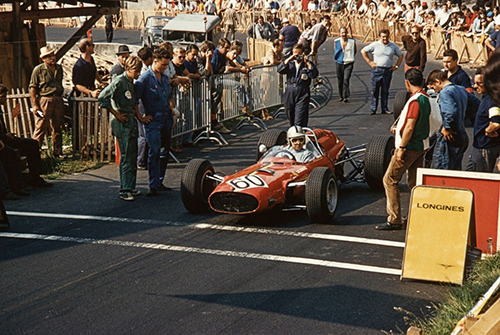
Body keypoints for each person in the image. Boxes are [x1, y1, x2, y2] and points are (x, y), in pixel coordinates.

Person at [376, 69, 431, 230]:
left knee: (390, 179)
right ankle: (415, 214)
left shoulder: (414, 101)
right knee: (414, 182)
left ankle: (394, 218)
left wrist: (401, 148)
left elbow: (409, 126)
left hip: (409, 147)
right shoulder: (426, 98)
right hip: (421, 145)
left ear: (407, 82)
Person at [98, 56, 152, 201]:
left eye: (140, 70)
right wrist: (116, 114)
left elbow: (133, 102)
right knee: (126, 156)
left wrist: (139, 117)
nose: (138, 73)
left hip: (130, 121)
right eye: (136, 70)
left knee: (132, 154)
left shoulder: (130, 83)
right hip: (121, 122)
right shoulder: (119, 82)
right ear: (128, 69)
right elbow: (102, 98)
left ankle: (130, 186)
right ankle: (124, 189)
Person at [135, 48, 174, 197]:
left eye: (167, 65)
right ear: (155, 61)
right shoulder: (144, 79)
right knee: (154, 151)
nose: (165, 68)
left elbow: (169, 95)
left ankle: (159, 181)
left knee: (164, 152)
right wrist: (141, 117)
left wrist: (171, 110)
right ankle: (153, 184)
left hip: (165, 119)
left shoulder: (164, 78)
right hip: (153, 121)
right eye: (163, 65)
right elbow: (135, 100)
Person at [426, 70, 480, 170]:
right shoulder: (461, 89)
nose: (435, 90)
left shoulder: (445, 93)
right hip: (461, 134)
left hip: (449, 137)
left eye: (433, 87)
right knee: (455, 170)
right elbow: (476, 104)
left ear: (438, 81)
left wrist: (446, 127)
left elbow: (450, 112)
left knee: (442, 170)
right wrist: (462, 114)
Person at [0, 84, 52, 188]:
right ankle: (15, 186)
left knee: (32, 144)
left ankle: (35, 178)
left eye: (5, 96)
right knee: (11, 153)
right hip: (2, 140)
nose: (5, 99)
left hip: (5, 137)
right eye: (2, 96)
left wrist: (8, 135)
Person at [29, 46, 65, 157]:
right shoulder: (38, 70)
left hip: (57, 98)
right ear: (43, 59)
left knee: (57, 126)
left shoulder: (59, 69)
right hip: (45, 99)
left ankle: (57, 152)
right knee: (41, 127)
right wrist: (35, 105)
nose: (52, 58)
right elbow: (33, 88)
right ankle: (34, 152)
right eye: (48, 56)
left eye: (53, 55)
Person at [465, 68, 500, 172]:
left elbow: (496, 122)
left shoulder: (492, 101)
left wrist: (488, 130)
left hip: (485, 148)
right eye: (474, 83)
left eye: (479, 83)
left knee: (480, 179)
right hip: (478, 148)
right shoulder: (486, 97)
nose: (475, 87)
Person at [361, 29, 404, 115]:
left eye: (386, 36)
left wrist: (396, 66)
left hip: (387, 70)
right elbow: (363, 51)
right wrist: (370, 62)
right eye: (383, 37)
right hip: (377, 70)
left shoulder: (393, 46)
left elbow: (401, 55)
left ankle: (384, 108)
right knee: (374, 90)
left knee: (385, 90)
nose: (385, 38)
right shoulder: (375, 45)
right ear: (380, 36)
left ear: (389, 36)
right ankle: (373, 109)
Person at [277, 44, 319, 127]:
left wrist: (308, 63)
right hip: (290, 91)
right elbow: (279, 69)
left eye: (299, 54)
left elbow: (314, 74)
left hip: (302, 92)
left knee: (299, 118)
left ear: (303, 53)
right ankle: (293, 132)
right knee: (290, 115)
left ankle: (299, 132)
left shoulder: (306, 64)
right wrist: (289, 59)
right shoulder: (290, 63)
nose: (297, 57)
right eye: (295, 54)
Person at [136, 46, 154, 170]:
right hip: (142, 103)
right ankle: (140, 159)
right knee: (142, 134)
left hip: (144, 102)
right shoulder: (143, 73)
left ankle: (143, 158)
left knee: (144, 133)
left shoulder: (146, 69)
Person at [334, 27, 356, 103]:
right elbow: (335, 50)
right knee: (340, 79)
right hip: (339, 62)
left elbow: (354, 51)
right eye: (342, 33)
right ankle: (340, 95)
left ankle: (345, 95)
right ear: (339, 33)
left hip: (349, 62)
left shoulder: (352, 41)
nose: (344, 34)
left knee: (346, 78)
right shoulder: (336, 41)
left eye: (345, 32)